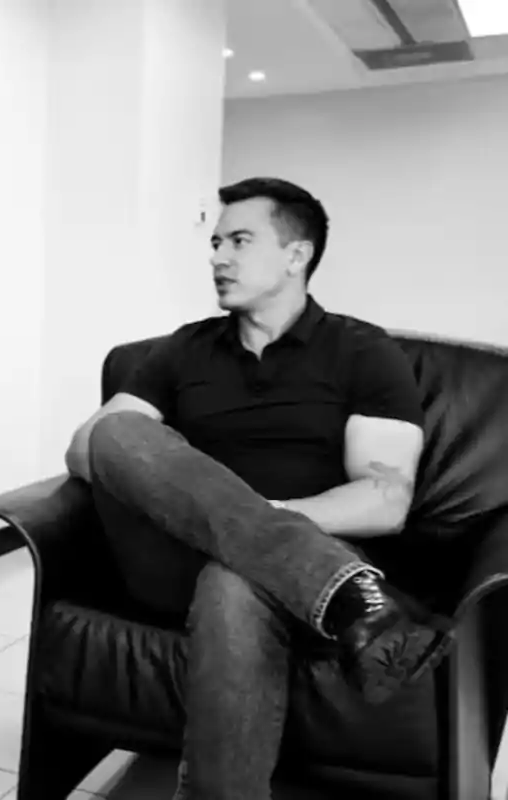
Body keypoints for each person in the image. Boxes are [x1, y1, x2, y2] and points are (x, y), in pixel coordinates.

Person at [63, 177, 451, 800]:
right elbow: (89, 449)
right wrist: (240, 523)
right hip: (176, 557)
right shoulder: (181, 350)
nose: (218, 257)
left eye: (240, 240)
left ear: (297, 255)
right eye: (215, 242)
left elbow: (384, 499)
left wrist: (253, 527)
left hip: (294, 564)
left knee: (235, 577)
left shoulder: (362, 351)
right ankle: (354, 603)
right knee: (118, 433)